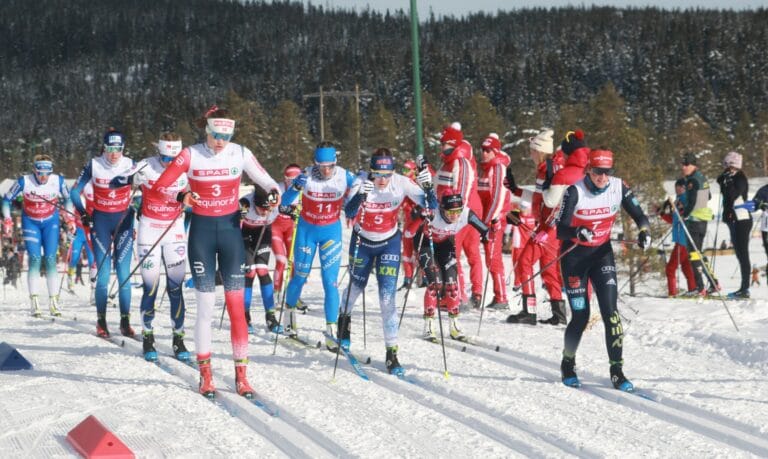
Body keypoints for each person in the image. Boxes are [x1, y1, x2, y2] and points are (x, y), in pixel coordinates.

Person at [151, 106, 279, 398]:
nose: (221, 141)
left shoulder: (240, 153)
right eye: (215, 134)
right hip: (202, 236)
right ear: (205, 131)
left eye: (226, 135)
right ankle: (206, 375)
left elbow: (268, 182)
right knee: (206, 310)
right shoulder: (190, 154)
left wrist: (272, 195)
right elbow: (160, 187)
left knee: (236, 309)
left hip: (232, 235)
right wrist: (182, 195)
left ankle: (241, 376)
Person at [556, 148, 651, 392]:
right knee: (581, 316)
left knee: (611, 314)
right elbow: (560, 229)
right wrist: (577, 232)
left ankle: (617, 371)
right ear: (589, 169)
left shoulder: (619, 187)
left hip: (601, 255)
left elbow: (640, 215)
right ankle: (568, 363)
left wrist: (644, 232)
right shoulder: (575, 191)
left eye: (607, 172)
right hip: (574, 258)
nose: (602, 177)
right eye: (598, 172)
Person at [341, 148, 435, 374]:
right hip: (362, 242)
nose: (382, 180)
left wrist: (429, 187)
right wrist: (360, 196)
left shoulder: (400, 183)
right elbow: (349, 211)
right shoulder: (361, 182)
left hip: (389, 243)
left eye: (387, 175)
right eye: (378, 174)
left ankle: (392, 353)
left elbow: (432, 207)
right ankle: (343, 322)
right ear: (371, 171)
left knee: (387, 298)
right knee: (356, 287)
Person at [116, 132, 191, 361]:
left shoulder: (186, 166)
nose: (170, 163)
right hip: (149, 230)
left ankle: (178, 338)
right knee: (151, 286)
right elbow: (117, 181)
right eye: (166, 158)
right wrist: (132, 179)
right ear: (159, 152)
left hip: (174, 231)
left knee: (176, 287)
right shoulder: (146, 165)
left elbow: (194, 191)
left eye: (174, 158)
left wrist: (186, 195)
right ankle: (148, 335)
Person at [281, 141, 358, 350]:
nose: (325, 170)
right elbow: (285, 201)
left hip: (331, 232)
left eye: (329, 166)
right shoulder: (306, 175)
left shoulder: (344, 175)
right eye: (321, 166)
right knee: (300, 276)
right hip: (307, 231)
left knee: (330, 282)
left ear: (335, 162)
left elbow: (360, 190)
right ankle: (288, 316)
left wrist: (358, 198)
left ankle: (331, 331)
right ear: (314, 163)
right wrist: (296, 186)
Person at [507, 130, 588, 324]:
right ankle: (559, 315)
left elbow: (558, 203)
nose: (530, 154)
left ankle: (529, 311)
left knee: (525, 262)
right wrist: (515, 189)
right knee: (548, 270)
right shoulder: (545, 168)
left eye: (532, 150)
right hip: (549, 228)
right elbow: (539, 197)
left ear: (540, 151)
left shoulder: (549, 169)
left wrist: (547, 230)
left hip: (549, 229)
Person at [71, 129, 136, 337]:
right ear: (104, 148)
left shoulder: (130, 165)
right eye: (109, 148)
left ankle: (125, 321)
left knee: (124, 275)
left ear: (123, 148)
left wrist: (142, 206)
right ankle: (101, 321)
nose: (114, 154)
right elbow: (74, 191)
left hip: (124, 222)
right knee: (103, 275)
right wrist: (82, 213)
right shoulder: (94, 164)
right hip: (101, 223)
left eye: (118, 149)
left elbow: (147, 187)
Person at [410, 186, 489, 343]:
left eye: (457, 211)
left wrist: (489, 232)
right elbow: (409, 232)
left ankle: (454, 325)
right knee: (435, 283)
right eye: (450, 212)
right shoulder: (433, 212)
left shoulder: (466, 213)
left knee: (452, 284)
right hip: (427, 244)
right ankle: (429, 325)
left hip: (446, 244)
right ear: (442, 208)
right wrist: (420, 217)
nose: (455, 216)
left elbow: (485, 229)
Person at [2, 154, 71, 316]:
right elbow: (6, 200)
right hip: (31, 221)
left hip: (50, 222)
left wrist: (69, 217)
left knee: (50, 259)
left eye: (47, 173)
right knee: (34, 259)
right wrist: (7, 219)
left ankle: (53, 301)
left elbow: (68, 200)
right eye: (40, 173)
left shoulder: (58, 181)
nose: (43, 177)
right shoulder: (24, 181)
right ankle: (34, 301)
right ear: (34, 170)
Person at [435, 122, 485, 309]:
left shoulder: (460, 162)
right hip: (462, 213)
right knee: (467, 253)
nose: (442, 147)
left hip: (461, 215)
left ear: (453, 144)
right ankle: (465, 295)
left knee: (452, 253)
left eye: (444, 143)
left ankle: (458, 296)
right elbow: (437, 186)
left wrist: (452, 217)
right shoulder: (448, 163)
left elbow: (461, 193)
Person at [238, 184, 283, 334]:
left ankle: (271, 316)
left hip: (264, 233)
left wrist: (291, 210)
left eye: (268, 209)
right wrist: (238, 213)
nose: (265, 212)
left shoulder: (274, 203)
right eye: (262, 209)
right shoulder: (246, 202)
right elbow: (233, 213)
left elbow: (286, 204)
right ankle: (245, 315)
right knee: (249, 272)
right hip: (245, 235)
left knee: (263, 270)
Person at [477, 133, 511, 310]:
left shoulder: (497, 168)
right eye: (482, 149)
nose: (484, 153)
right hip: (484, 220)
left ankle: (502, 297)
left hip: (494, 220)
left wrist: (492, 219)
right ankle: (498, 296)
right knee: (489, 257)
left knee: (493, 257)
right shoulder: (484, 168)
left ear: (495, 151)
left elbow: (498, 197)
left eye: (488, 150)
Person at [679, 153, 717, 297]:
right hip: (703, 220)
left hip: (694, 220)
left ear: (693, 165)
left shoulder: (692, 180)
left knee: (694, 255)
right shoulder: (701, 177)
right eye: (682, 164)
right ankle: (714, 283)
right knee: (698, 254)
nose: (684, 167)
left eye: (686, 164)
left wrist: (685, 213)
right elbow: (709, 196)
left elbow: (694, 200)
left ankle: (700, 288)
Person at [716, 152, 752, 299]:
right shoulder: (729, 177)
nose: (725, 168)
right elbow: (720, 183)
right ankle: (743, 288)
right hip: (734, 220)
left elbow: (733, 195)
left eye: (727, 165)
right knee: (739, 253)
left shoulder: (740, 179)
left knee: (743, 254)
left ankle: (745, 288)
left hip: (742, 219)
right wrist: (725, 179)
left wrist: (729, 181)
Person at [657, 178, 696, 297]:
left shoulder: (684, 199)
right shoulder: (679, 199)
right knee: (687, 269)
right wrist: (662, 213)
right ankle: (694, 290)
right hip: (681, 240)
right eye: (677, 187)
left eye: (680, 187)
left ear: (684, 188)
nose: (677, 189)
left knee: (670, 268)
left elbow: (683, 217)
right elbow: (674, 220)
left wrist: (673, 208)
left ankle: (672, 293)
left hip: (683, 240)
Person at [271, 164, 302, 299]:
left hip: (291, 227)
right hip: (275, 227)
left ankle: (294, 295)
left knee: (294, 262)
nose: (291, 183)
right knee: (281, 260)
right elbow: (270, 206)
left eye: (294, 180)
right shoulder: (278, 188)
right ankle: (276, 293)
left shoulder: (304, 190)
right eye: (288, 179)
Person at [64, 182, 95, 292]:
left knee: (92, 261)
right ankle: (70, 277)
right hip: (78, 231)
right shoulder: (79, 190)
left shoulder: (98, 190)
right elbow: (68, 205)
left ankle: (93, 285)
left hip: (90, 232)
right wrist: (70, 221)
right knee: (74, 257)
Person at [398, 159, 419, 291]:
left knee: (418, 250)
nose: (404, 173)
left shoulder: (416, 184)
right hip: (407, 221)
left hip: (417, 222)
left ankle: (424, 278)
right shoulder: (402, 184)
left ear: (414, 171)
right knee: (406, 251)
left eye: (407, 170)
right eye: (403, 170)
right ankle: (408, 279)